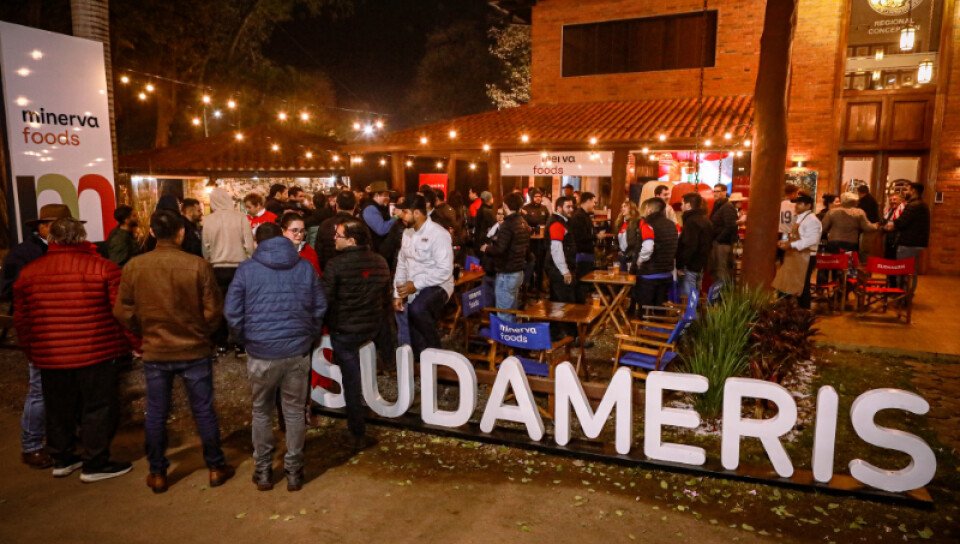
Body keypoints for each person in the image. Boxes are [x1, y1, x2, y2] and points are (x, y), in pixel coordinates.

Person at [115, 210, 234, 493]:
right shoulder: (197, 265)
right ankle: (215, 466)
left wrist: (144, 330)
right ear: (181, 233)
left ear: (152, 232)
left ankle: (157, 472)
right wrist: (200, 331)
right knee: (203, 409)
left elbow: (123, 310)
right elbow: (213, 310)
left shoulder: (135, 266)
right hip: (193, 349)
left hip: (156, 349)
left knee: (156, 411)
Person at [15, 217, 134, 482]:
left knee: (58, 407)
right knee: (98, 407)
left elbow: (22, 319)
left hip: (50, 354)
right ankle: (95, 462)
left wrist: (31, 350)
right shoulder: (103, 268)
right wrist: (134, 344)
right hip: (97, 351)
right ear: (82, 236)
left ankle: (62, 458)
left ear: (51, 238)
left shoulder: (30, 273)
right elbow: (121, 313)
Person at [224, 221, 327, 491]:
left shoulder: (247, 269)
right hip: (296, 351)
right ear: (283, 237)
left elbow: (232, 312)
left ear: (257, 243)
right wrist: (309, 335)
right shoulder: (304, 267)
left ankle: (264, 471)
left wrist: (245, 338)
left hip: (261, 352)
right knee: (294, 411)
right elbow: (319, 306)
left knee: (261, 411)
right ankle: (294, 471)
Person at [2, 204, 75, 470]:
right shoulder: (25, 254)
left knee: (64, 387)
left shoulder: (68, 251)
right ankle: (31, 445)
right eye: (57, 225)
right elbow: (8, 289)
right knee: (40, 389)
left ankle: (61, 437)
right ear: (42, 227)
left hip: (66, 327)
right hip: (42, 329)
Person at [323, 218, 392, 450]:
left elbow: (325, 299)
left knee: (351, 381)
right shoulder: (380, 261)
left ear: (351, 241)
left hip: (345, 330)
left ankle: (357, 431)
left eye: (338, 235)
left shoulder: (335, 265)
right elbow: (385, 299)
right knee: (356, 375)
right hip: (372, 327)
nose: (334, 238)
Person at [393, 194, 454, 357]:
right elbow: (402, 264)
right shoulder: (407, 233)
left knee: (417, 309)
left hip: (438, 285)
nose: (401, 215)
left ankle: (437, 351)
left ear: (417, 213)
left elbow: (445, 270)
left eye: (405, 212)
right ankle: (424, 362)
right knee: (415, 332)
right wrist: (397, 293)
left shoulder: (438, 234)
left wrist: (416, 284)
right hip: (413, 287)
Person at [203, 187, 255, 353]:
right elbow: (249, 245)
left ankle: (221, 343)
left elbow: (206, 247)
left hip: (217, 268)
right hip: (239, 267)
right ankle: (240, 343)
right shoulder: (240, 218)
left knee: (219, 305)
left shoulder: (208, 220)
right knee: (240, 305)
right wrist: (249, 260)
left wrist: (209, 261)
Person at [482, 192, 531, 320]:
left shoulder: (507, 225)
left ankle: (505, 333)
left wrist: (487, 248)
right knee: (512, 310)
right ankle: (512, 331)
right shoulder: (523, 222)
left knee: (504, 313)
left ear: (505, 205)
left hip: (507, 273)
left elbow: (500, 249)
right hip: (518, 270)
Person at [773, 194, 822, 309]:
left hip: (806, 257)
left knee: (802, 286)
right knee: (785, 283)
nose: (796, 206)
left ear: (808, 206)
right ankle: (786, 310)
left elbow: (812, 240)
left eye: (800, 203)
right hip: (795, 255)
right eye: (796, 203)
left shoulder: (812, 220)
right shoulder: (800, 218)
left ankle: (804, 311)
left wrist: (791, 244)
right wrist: (785, 242)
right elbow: (796, 236)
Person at [635, 198, 679, 309]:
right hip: (667, 273)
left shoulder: (648, 225)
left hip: (649, 274)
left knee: (646, 310)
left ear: (649, 209)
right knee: (660, 309)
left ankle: (644, 321)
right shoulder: (672, 225)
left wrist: (640, 260)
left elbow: (648, 247)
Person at [545, 197, 578, 339]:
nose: (571, 209)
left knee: (557, 302)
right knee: (567, 303)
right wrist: (565, 271)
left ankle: (555, 333)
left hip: (554, 268)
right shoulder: (557, 223)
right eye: (567, 207)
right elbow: (556, 249)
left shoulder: (561, 222)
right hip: (558, 269)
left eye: (572, 206)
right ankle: (572, 336)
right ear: (559, 208)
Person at [676, 193, 713, 302]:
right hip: (701, 265)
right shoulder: (706, 220)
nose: (681, 207)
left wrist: (680, 264)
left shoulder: (691, 222)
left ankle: (691, 314)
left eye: (682, 204)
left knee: (688, 301)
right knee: (695, 297)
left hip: (690, 266)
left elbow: (689, 246)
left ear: (688, 205)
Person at [886, 182, 930, 266]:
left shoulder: (913, 205)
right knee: (911, 269)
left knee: (902, 270)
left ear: (913, 191)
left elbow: (901, 222)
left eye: (907, 190)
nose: (904, 192)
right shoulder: (922, 204)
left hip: (909, 244)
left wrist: (891, 225)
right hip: (915, 243)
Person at [316, 190, 357, 269]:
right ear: (355, 206)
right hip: (354, 269)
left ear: (337, 205)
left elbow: (319, 252)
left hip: (330, 268)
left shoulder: (325, 224)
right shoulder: (360, 225)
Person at [568, 192, 597, 303]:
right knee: (582, 282)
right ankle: (579, 308)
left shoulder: (585, 215)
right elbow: (580, 237)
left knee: (584, 283)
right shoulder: (578, 217)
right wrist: (596, 236)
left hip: (586, 254)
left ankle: (581, 305)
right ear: (588, 201)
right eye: (593, 202)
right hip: (582, 255)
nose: (594, 205)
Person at [522, 188, 551, 293]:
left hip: (542, 241)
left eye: (540, 196)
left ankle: (539, 286)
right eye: (536, 196)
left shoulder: (544, 208)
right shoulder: (526, 208)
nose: (538, 198)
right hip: (530, 241)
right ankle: (529, 286)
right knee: (531, 263)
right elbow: (526, 222)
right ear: (532, 197)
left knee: (540, 264)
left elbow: (548, 221)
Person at [710, 184, 739, 286]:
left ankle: (723, 293)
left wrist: (718, 239)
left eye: (718, 191)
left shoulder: (727, 207)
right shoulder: (718, 205)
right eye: (714, 191)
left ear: (724, 192)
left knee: (722, 270)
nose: (715, 194)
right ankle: (718, 292)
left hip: (723, 244)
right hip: (719, 243)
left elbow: (731, 226)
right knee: (717, 269)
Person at [361, 181, 398, 255]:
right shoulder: (370, 209)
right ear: (376, 195)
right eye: (385, 195)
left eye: (388, 195)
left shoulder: (379, 207)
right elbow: (381, 229)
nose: (388, 198)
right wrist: (396, 217)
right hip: (375, 251)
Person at [281, 211, 321, 276]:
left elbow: (317, 277)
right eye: (294, 230)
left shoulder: (309, 251)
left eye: (302, 231)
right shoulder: (274, 251)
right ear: (283, 230)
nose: (299, 234)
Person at [881, 192, 905, 260]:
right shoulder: (890, 210)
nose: (892, 201)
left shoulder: (903, 211)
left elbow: (900, 225)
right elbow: (884, 222)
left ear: (900, 200)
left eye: (894, 199)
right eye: (890, 200)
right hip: (889, 240)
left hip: (898, 241)